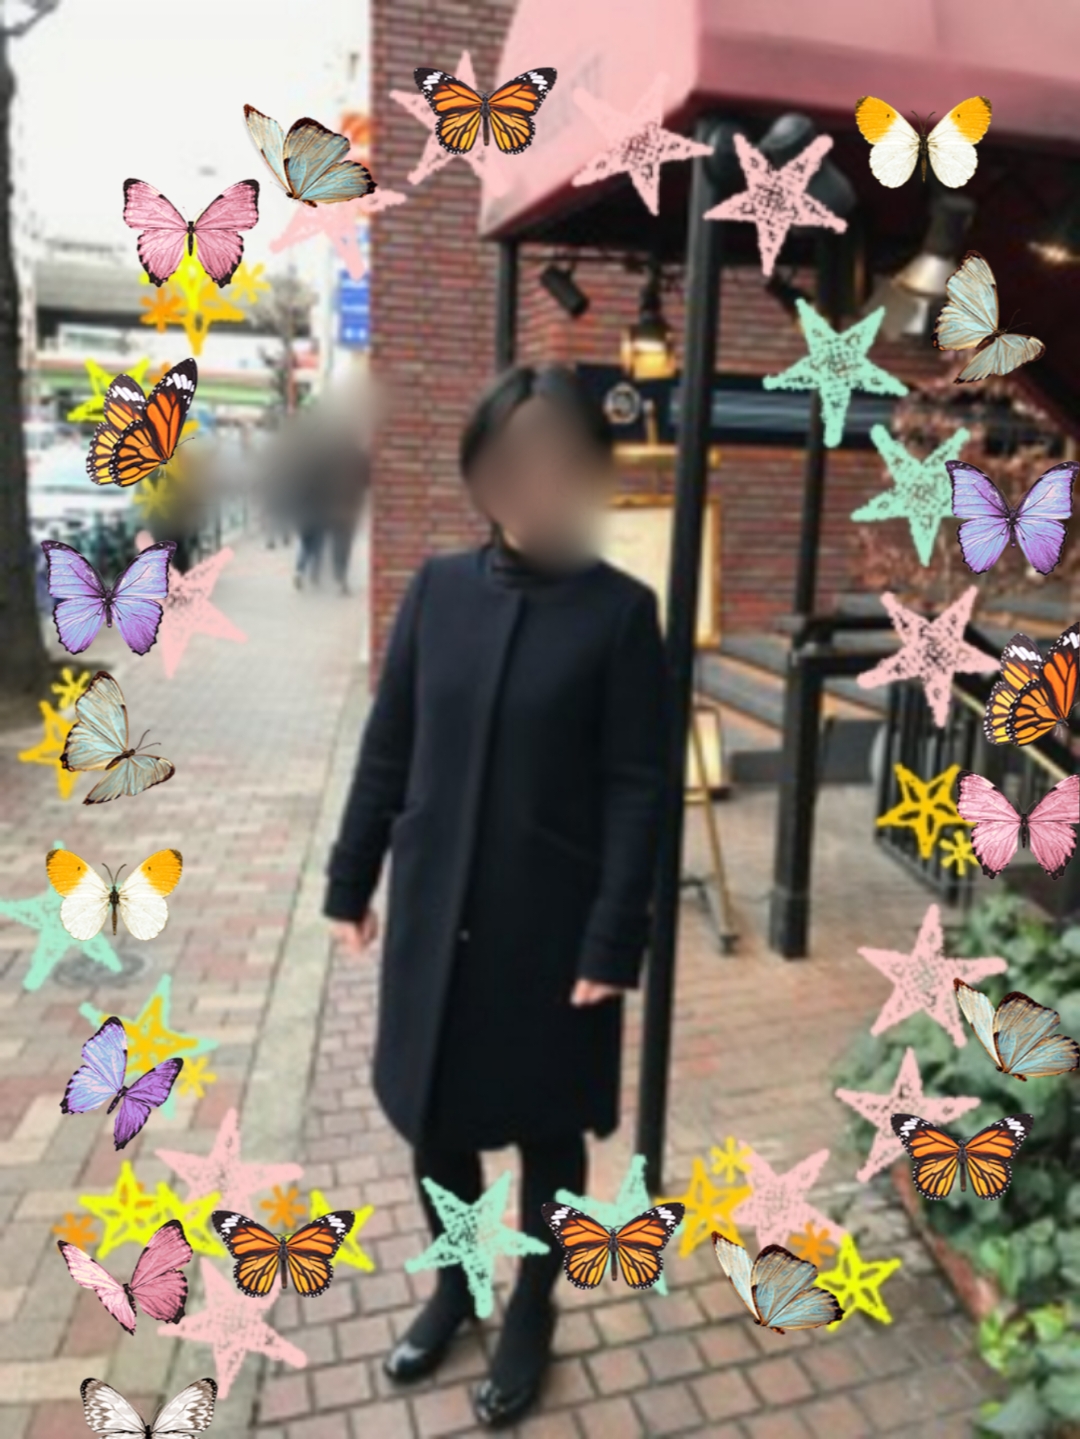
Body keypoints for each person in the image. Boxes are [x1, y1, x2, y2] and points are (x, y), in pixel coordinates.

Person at [324, 365, 667, 1428]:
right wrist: (350, 877)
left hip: (552, 930)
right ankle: (458, 1282)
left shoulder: (621, 614)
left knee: (548, 1133)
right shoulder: (437, 590)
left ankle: (531, 1305)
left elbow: (640, 790)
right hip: (435, 916)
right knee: (437, 1119)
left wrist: (613, 940)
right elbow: (389, 746)